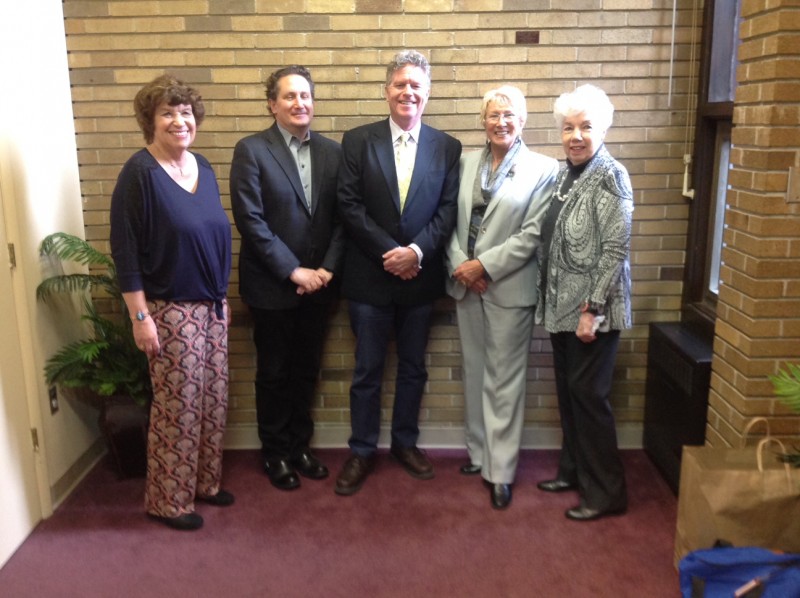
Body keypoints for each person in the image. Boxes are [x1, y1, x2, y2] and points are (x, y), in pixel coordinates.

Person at [334, 50, 461, 496]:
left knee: (413, 369)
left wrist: (417, 252)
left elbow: (448, 211)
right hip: (370, 277)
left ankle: (405, 444)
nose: (409, 92)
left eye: (417, 86)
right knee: (367, 370)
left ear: (428, 93)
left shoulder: (447, 147)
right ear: (386, 90)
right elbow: (348, 205)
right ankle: (361, 451)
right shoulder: (356, 140)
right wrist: (392, 252)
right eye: (400, 85)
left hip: (420, 280)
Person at [110, 74, 234, 531]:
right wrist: (140, 317)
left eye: (185, 112)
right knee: (177, 405)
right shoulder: (139, 173)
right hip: (168, 308)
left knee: (213, 399)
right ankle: (168, 501)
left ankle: (204, 483)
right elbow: (124, 250)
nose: (179, 121)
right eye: (167, 112)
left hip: (212, 306)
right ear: (151, 121)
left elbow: (213, 237)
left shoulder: (202, 166)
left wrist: (221, 296)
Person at [230, 66, 343, 491]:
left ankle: (300, 447)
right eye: (290, 96)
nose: (300, 103)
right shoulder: (252, 150)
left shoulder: (333, 153)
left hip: (320, 286)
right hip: (272, 286)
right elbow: (251, 221)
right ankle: (274, 453)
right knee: (274, 372)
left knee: (306, 369)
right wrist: (292, 269)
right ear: (272, 104)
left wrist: (326, 269)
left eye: (306, 96)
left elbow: (341, 219)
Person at [445, 86, 558, 510]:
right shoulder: (464, 162)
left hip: (507, 286)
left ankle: (501, 470)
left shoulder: (543, 169)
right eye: (493, 114)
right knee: (475, 370)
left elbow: (532, 234)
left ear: (523, 120)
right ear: (483, 120)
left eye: (509, 114)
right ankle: (478, 455)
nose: (501, 122)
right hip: (464, 282)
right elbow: (448, 219)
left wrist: (484, 266)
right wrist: (460, 262)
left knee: (504, 381)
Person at [536, 84, 633, 521]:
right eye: (568, 127)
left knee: (589, 397)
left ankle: (607, 493)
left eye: (586, 127)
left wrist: (592, 310)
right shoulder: (565, 173)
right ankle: (573, 473)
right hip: (561, 307)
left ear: (603, 129)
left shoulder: (611, 175)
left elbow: (615, 249)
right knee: (570, 394)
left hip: (593, 311)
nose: (575, 135)